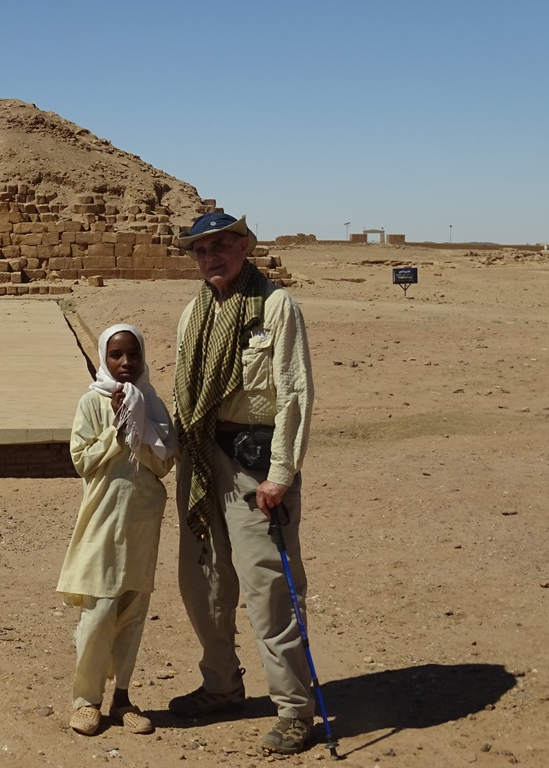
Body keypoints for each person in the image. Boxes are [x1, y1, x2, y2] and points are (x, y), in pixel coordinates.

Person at [169, 212, 316, 755]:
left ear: (245, 247)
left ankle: (296, 709)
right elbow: (185, 389)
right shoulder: (194, 313)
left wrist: (281, 474)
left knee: (269, 590)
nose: (211, 256)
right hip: (204, 463)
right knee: (203, 580)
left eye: (222, 246)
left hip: (256, 466)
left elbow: (293, 393)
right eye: (201, 249)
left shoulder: (276, 306)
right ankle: (221, 686)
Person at [57, 324, 177, 736]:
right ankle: (85, 700)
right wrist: (118, 425)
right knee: (99, 612)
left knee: (133, 610)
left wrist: (142, 423)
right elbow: (83, 461)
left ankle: (122, 697)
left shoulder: (155, 404)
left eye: (133, 355)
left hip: (142, 520)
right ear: (104, 359)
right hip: (102, 520)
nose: (126, 363)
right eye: (116, 355)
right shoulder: (92, 403)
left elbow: (164, 463)